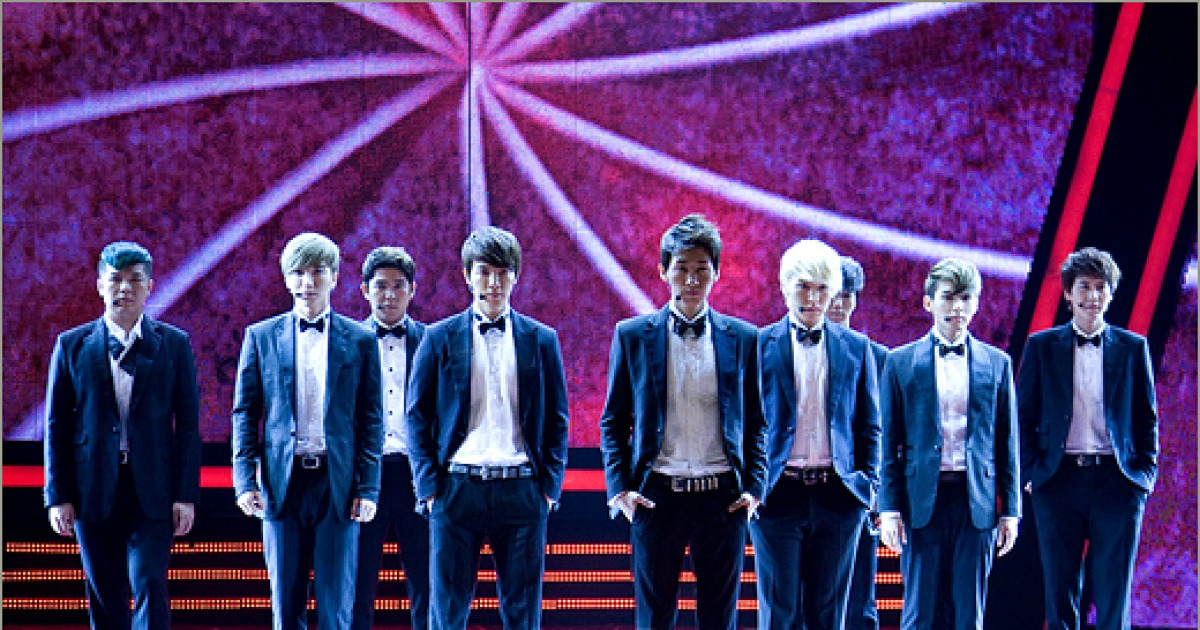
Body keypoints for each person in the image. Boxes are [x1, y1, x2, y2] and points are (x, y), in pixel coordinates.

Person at [599, 214, 765, 630]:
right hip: (658, 497)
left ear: (717, 273)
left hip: (722, 498)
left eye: (701, 269)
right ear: (663, 271)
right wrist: (621, 489)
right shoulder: (633, 335)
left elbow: (757, 423)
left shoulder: (743, 338)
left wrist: (754, 489)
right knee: (654, 619)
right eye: (682, 268)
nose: (691, 280)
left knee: (719, 619)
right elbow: (613, 421)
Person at [406, 225, 570, 630]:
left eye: (502, 273)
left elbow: (557, 417)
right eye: (484, 272)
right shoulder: (439, 337)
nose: (493, 283)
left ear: (516, 276)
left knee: (522, 613)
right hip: (456, 489)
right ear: (467, 275)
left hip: (522, 489)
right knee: (447, 613)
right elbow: (417, 415)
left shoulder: (542, 339)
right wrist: (429, 488)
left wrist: (548, 488)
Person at [43, 240, 201, 630]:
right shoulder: (72, 345)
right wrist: (57, 496)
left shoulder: (174, 344)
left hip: (154, 487)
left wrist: (185, 495)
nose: (125, 288)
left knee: (149, 580)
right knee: (104, 591)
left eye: (135, 280)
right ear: (100, 285)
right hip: (92, 486)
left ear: (150, 287)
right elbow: (57, 426)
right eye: (115, 279)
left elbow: (188, 426)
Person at [231, 232, 383, 630]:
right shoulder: (261, 336)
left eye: (317, 272)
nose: (308, 282)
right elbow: (245, 413)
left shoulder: (362, 340)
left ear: (334, 277)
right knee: (285, 605)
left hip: (338, 483)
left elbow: (371, 419)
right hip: (282, 483)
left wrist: (368, 488)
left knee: (337, 608)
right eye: (298, 273)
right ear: (286, 279)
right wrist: (244, 481)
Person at [1017, 247, 1158, 630]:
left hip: (1117, 483)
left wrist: (1143, 477)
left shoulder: (1133, 348)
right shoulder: (1042, 347)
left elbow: (1146, 420)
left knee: (1113, 597)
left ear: (1110, 293)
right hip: (1057, 481)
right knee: (1060, 595)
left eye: (1101, 287)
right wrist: (1032, 474)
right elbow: (1024, 416)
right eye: (1084, 286)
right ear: (1068, 293)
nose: (1093, 296)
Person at [877, 258, 1020, 630]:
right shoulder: (899, 362)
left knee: (968, 616)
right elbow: (888, 443)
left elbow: (1007, 443)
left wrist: (1011, 511)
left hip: (976, 503)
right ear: (928, 302)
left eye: (965, 298)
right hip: (921, 500)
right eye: (948, 297)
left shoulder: (998, 363)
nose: (957, 307)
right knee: (918, 614)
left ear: (976, 304)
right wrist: (888, 509)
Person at [751, 240, 881, 630]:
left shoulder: (856, 347)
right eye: (804, 287)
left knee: (829, 617)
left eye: (823, 288)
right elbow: (742, 423)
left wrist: (867, 486)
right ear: (785, 287)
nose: (813, 298)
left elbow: (869, 425)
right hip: (777, 495)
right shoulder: (758, 344)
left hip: (838, 496)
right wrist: (751, 486)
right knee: (779, 615)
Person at [351, 246, 430, 630]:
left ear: (412, 290)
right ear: (364, 290)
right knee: (357, 585)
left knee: (428, 584)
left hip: (418, 477)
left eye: (398, 286)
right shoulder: (347, 341)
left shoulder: (433, 341)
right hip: (363, 477)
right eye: (380, 286)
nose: (389, 294)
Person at [827, 255, 889, 630]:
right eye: (833, 294)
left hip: (859, 492)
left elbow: (884, 431)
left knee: (860, 600)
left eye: (846, 295)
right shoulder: (797, 350)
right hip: (809, 489)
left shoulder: (877, 357)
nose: (839, 303)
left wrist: (878, 492)